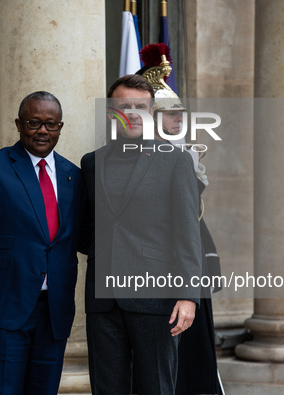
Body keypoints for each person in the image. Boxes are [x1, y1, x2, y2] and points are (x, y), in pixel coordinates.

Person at [0, 91, 85, 395]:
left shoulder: (73, 176)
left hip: (54, 310)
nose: (42, 131)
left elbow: (80, 236)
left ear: (60, 127)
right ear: (19, 124)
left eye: (50, 124)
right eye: (34, 122)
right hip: (3, 304)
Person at [81, 74, 203, 395]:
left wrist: (189, 295)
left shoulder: (175, 161)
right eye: (125, 106)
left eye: (141, 106)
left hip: (156, 298)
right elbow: (85, 228)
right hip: (103, 301)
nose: (133, 113)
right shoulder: (92, 163)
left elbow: (188, 233)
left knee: (156, 388)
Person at [137, 49, 224, 395]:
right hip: (147, 273)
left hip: (184, 271)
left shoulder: (182, 157)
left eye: (180, 114)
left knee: (191, 362)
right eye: (169, 114)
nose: (178, 120)